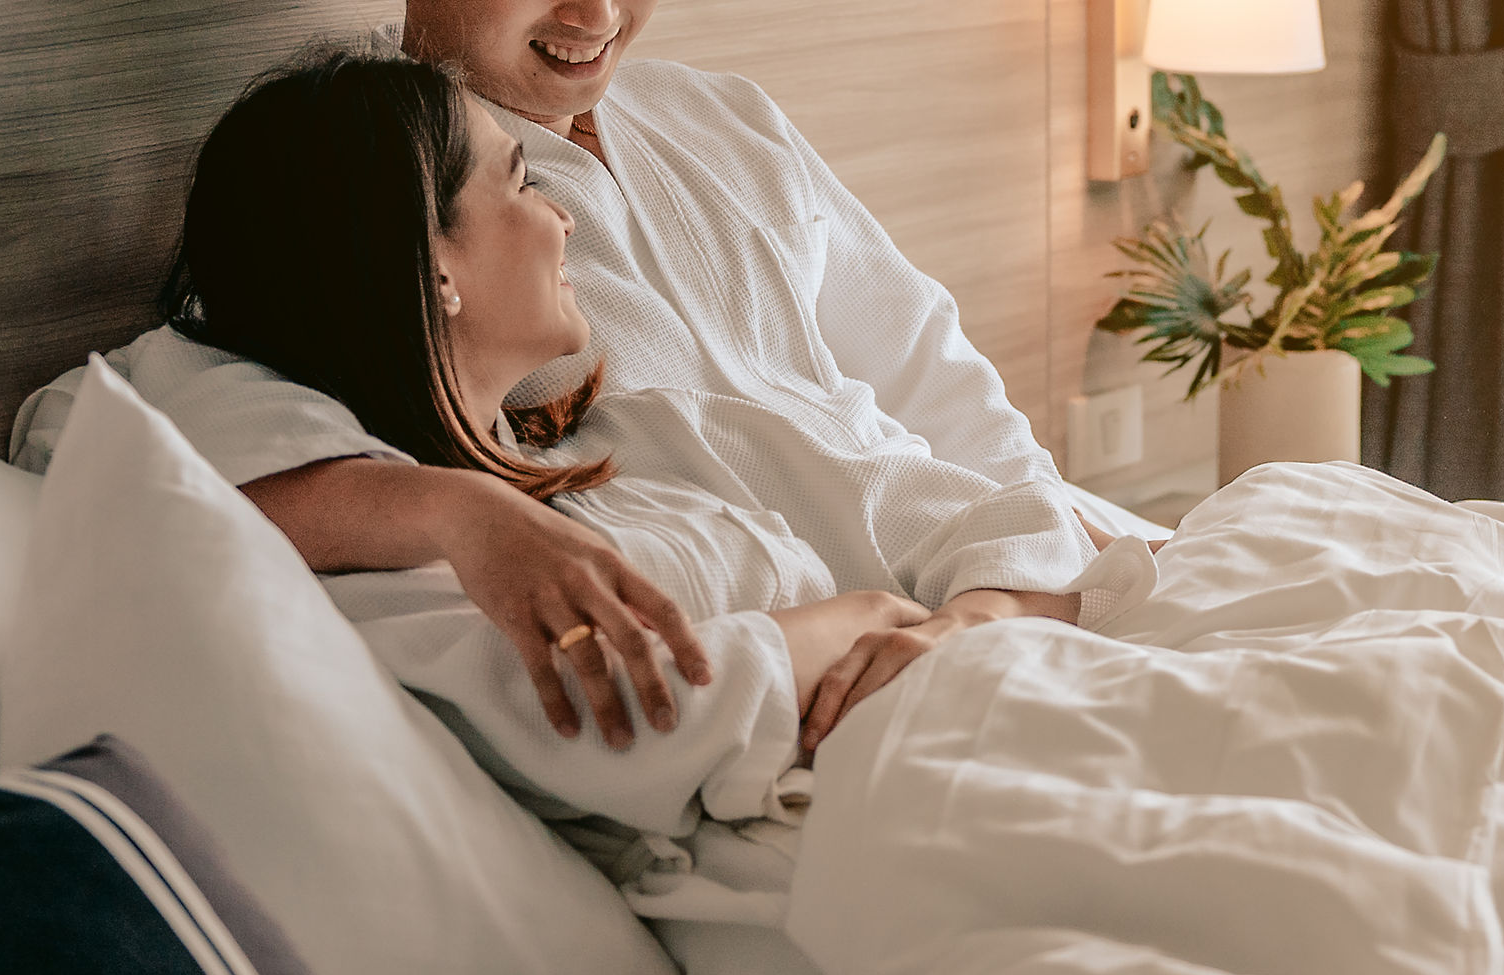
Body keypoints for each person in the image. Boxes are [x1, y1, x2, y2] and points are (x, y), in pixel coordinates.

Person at [15, 0, 1095, 751]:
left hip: (1004, 604)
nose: (599, 14)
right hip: (816, 679)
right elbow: (112, 436)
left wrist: (1004, 609)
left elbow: (950, 400)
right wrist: (460, 512)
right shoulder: (361, 200)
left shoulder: (729, 121)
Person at [160, 47, 970, 797]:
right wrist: (871, 618)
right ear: (435, 264)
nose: (564, 219)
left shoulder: (609, 454)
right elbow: (643, 721)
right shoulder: (409, 569)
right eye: (522, 185)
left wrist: (964, 621)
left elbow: (950, 497)